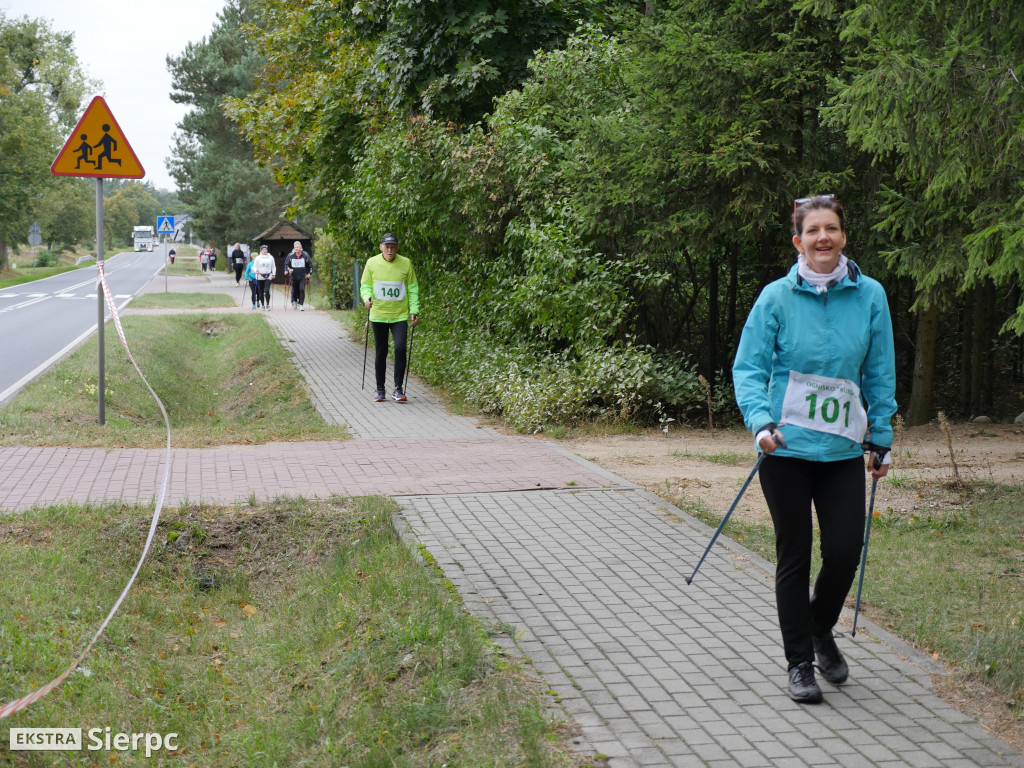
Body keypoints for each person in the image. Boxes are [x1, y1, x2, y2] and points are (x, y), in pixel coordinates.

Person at [732, 195, 896, 705]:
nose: (823, 237)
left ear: (844, 236)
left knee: (846, 550)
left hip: (843, 450)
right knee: (795, 554)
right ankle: (800, 662)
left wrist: (883, 436)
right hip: (785, 450)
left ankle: (821, 629)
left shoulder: (870, 296)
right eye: (813, 230)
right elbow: (749, 369)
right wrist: (761, 425)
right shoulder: (776, 298)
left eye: (832, 228)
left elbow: (878, 372)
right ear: (797, 240)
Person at [360, 233, 419, 402]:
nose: (390, 250)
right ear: (381, 247)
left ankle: (398, 389)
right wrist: (366, 298)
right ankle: (380, 389)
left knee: (400, 348)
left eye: (393, 247)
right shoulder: (372, 263)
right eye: (387, 247)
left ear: (397, 248)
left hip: (399, 315)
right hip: (378, 315)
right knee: (381, 350)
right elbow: (365, 285)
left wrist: (414, 310)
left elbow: (413, 289)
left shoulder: (406, 263)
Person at [284, 240, 313, 310]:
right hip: (294, 276)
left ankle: (301, 304)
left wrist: (309, 273)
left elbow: (310, 266)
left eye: (298, 247)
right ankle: (294, 301)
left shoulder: (305, 255)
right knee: (294, 291)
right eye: (295, 247)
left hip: (302, 276)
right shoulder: (291, 256)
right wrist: (289, 269)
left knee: (302, 289)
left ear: (301, 248)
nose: (296, 248)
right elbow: (287, 265)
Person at [252, 245, 276, 310]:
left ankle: (267, 304)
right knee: (261, 291)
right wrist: (256, 270)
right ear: (261, 250)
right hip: (260, 276)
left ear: (267, 250)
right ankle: (263, 305)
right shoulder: (258, 258)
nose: (264, 251)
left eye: (265, 249)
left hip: (268, 276)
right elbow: (254, 267)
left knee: (267, 290)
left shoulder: (271, 257)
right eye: (263, 249)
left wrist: (273, 274)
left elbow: (273, 266)